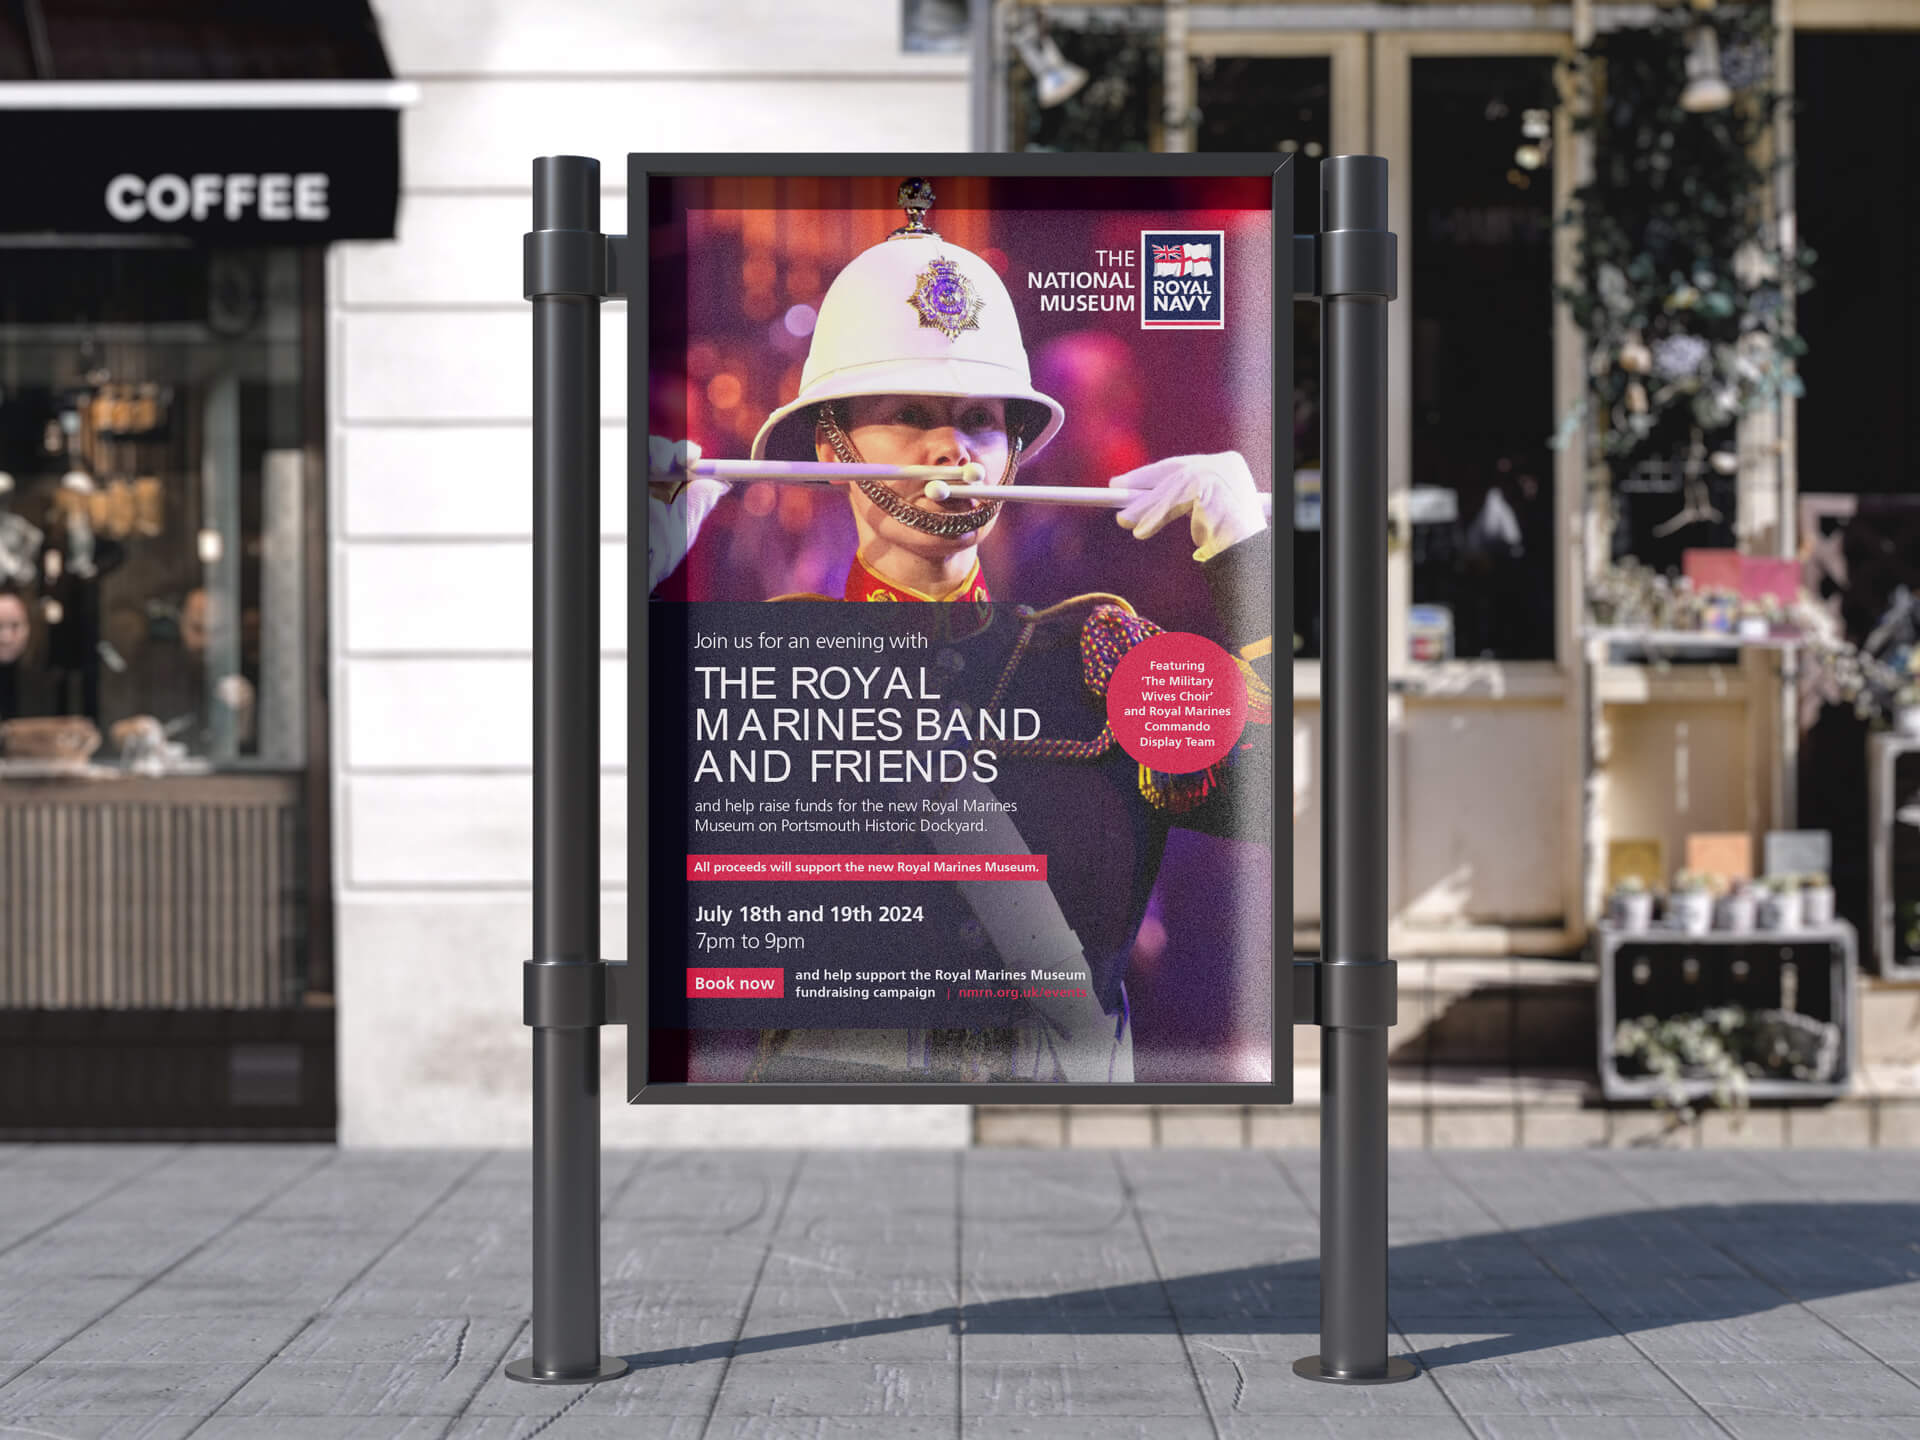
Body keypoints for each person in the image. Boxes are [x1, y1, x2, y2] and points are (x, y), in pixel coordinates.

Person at [650, 179, 1275, 1084]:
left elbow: (1269, 799)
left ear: (1015, 453)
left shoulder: (1099, 652)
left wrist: (1245, 562)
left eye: (981, 421)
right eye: (909, 415)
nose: (954, 450)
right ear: (832, 448)